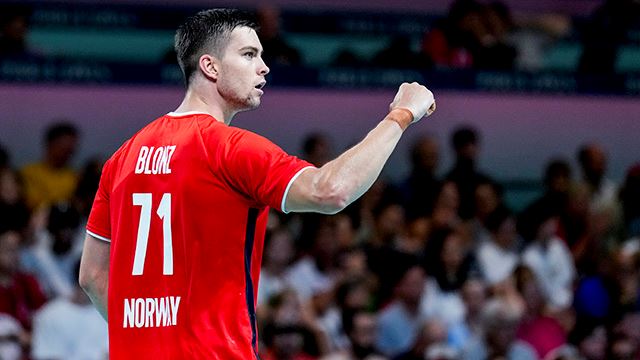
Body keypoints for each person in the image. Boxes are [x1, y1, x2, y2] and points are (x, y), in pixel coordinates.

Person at [79, 8, 436, 360]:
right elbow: (331, 190)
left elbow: (93, 276)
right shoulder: (229, 148)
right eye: (249, 55)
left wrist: (152, 340)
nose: (264, 67)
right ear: (210, 66)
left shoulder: (122, 158)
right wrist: (400, 116)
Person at [20, 122, 79, 210]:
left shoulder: (75, 177)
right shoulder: (28, 173)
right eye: (63, 148)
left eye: (70, 150)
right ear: (50, 144)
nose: (67, 154)